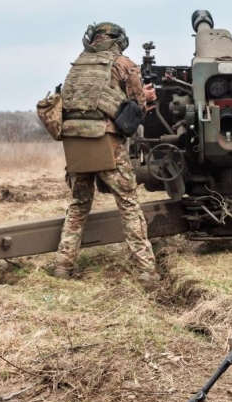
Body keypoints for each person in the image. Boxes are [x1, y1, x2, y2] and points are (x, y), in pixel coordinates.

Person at [49, 22, 159, 286]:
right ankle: (146, 273)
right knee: (129, 205)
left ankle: (63, 267)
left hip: (75, 143)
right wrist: (145, 96)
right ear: (119, 40)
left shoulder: (77, 64)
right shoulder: (124, 63)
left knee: (78, 205)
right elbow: (137, 106)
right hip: (105, 141)